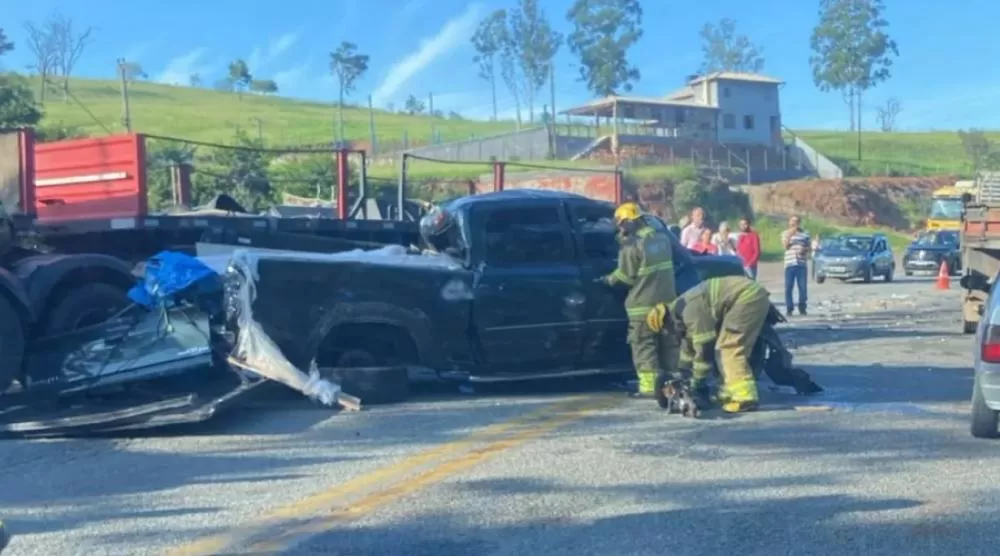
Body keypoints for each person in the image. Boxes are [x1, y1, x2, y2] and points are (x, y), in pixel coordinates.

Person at [645, 275, 771, 413]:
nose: (669, 334)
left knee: (728, 347)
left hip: (747, 297)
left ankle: (745, 399)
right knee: (724, 347)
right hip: (744, 296)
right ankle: (729, 392)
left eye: (666, 331)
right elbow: (689, 348)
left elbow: (705, 347)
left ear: (667, 321)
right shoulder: (680, 315)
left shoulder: (689, 310)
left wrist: (698, 381)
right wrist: (683, 373)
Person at [599, 202, 679, 398]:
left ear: (627, 222)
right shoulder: (661, 238)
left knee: (644, 346)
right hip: (668, 303)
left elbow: (625, 276)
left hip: (642, 306)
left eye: (620, 223)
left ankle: (649, 388)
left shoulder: (632, 245)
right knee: (669, 346)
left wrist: (607, 280)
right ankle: (675, 383)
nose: (619, 228)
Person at [780, 215, 810, 316]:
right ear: (789, 222)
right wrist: (790, 235)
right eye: (792, 221)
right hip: (790, 263)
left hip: (801, 264)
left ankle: (802, 307)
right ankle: (789, 308)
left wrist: (804, 250)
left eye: (796, 221)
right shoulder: (785, 233)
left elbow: (808, 248)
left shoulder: (805, 234)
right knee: (788, 287)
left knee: (802, 288)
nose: (794, 223)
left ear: (799, 222)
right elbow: (785, 246)